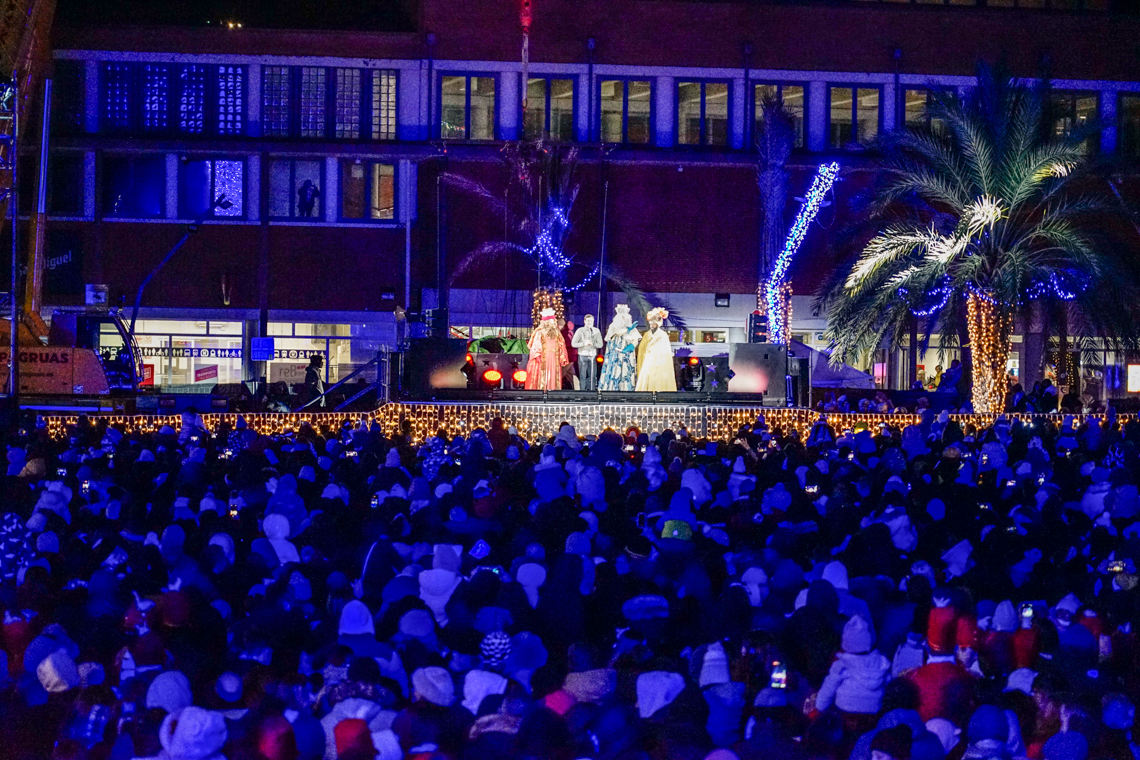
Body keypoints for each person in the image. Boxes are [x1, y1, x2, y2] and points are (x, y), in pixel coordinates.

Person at [598, 304, 641, 391]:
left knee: (626, 370)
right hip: (616, 354)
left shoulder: (631, 328)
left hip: (627, 355)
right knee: (615, 369)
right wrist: (627, 330)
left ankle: (627, 389)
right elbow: (613, 335)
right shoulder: (613, 326)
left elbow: (636, 339)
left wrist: (630, 347)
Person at [525, 308, 568, 391]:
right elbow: (536, 345)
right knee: (543, 375)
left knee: (553, 375)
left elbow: (561, 344)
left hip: (554, 357)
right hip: (544, 357)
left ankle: (552, 391)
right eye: (551, 320)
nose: (553, 322)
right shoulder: (539, 332)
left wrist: (562, 357)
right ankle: (543, 391)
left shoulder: (557, 333)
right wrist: (538, 355)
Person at [635, 307, 677, 392]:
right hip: (647, 362)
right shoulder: (647, 334)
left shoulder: (663, 335)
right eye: (650, 323)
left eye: (653, 324)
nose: (651, 326)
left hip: (658, 364)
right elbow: (642, 348)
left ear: (658, 324)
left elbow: (664, 351)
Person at [571, 315, 605, 392]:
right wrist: (584, 344)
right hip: (582, 355)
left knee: (593, 375)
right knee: (582, 375)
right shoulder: (580, 330)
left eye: (591, 321)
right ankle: (582, 392)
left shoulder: (596, 331)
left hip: (592, 356)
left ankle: (592, 392)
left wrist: (593, 344)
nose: (590, 322)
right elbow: (573, 343)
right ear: (585, 321)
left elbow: (600, 344)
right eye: (588, 321)